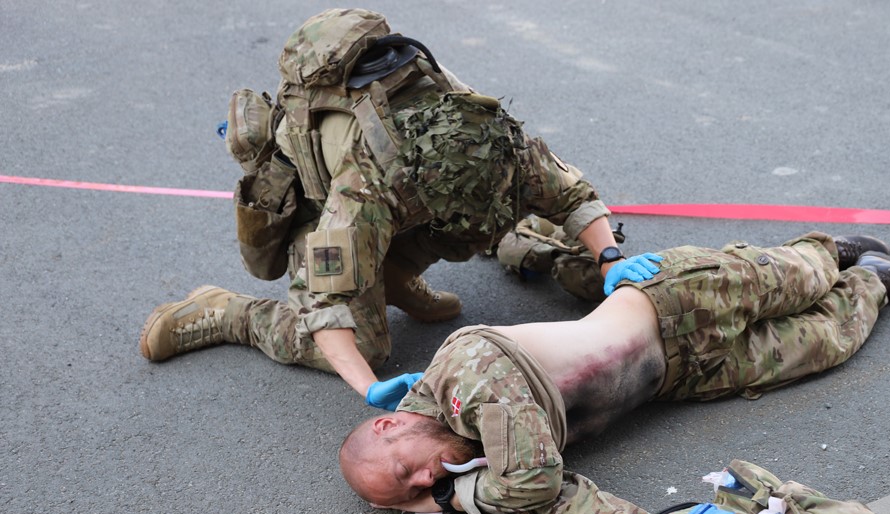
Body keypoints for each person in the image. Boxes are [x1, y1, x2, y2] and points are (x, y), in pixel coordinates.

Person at [138, 8, 638, 400]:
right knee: (369, 347)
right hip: (320, 206)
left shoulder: (501, 142)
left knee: (482, 225)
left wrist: (610, 260)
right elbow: (329, 303)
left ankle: (391, 274)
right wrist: (366, 386)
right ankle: (228, 314)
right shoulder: (368, 185)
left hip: (403, 201)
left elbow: (574, 195)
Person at [338, 232, 890, 514]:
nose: (424, 481)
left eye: (404, 472)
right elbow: (557, 500)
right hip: (678, 373)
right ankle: (876, 283)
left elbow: (533, 483)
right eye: (410, 492)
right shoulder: (487, 456)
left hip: (672, 298)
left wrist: (449, 504)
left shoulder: (462, 369)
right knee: (826, 345)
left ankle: (833, 250)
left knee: (801, 277)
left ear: (391, 423)